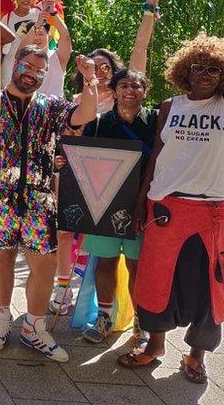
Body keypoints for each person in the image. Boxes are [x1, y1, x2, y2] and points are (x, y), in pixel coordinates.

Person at [119, 35, 224, 384]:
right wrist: (143, 201)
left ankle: (195, 355)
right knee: (157, 280)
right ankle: (155, 346)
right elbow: (157, 156)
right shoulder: (170, 107)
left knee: (213, 286)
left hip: (211, 211)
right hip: (167, 207)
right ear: (184, 72)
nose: (205, 74)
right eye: (197, 68)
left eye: (213, 69)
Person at [0, 46, 97, 362]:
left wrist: (89, 79)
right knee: (3, 258)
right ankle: (1, 317)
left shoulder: (49, 106)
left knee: (44, 262)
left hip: (39, 197)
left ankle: (34, 327)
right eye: (27, 66)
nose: (32, 73)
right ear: (15, 64)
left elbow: (86, 114)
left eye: (40, 70)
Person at [71, 69, 156, 348]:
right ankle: (104, 317)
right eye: (123, 85)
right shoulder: (99, 123)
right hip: (105, 204)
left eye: (136, 85)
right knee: (106, 261)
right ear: (115, 90)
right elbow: (83, 159)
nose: (129, 90)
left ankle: (141, 324)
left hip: (143, 207)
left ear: (145, 90)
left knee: (138, 266)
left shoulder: (157, 122)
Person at [1, 0, 72, 95]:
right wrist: (37, 24)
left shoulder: (58, 58)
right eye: (34, 34)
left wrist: (53, 13)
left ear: (49, 36)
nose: (36, 38)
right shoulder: (22, 58)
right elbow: (22, 45)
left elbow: (65, 37)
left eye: (41, 34)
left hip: (52, 108)